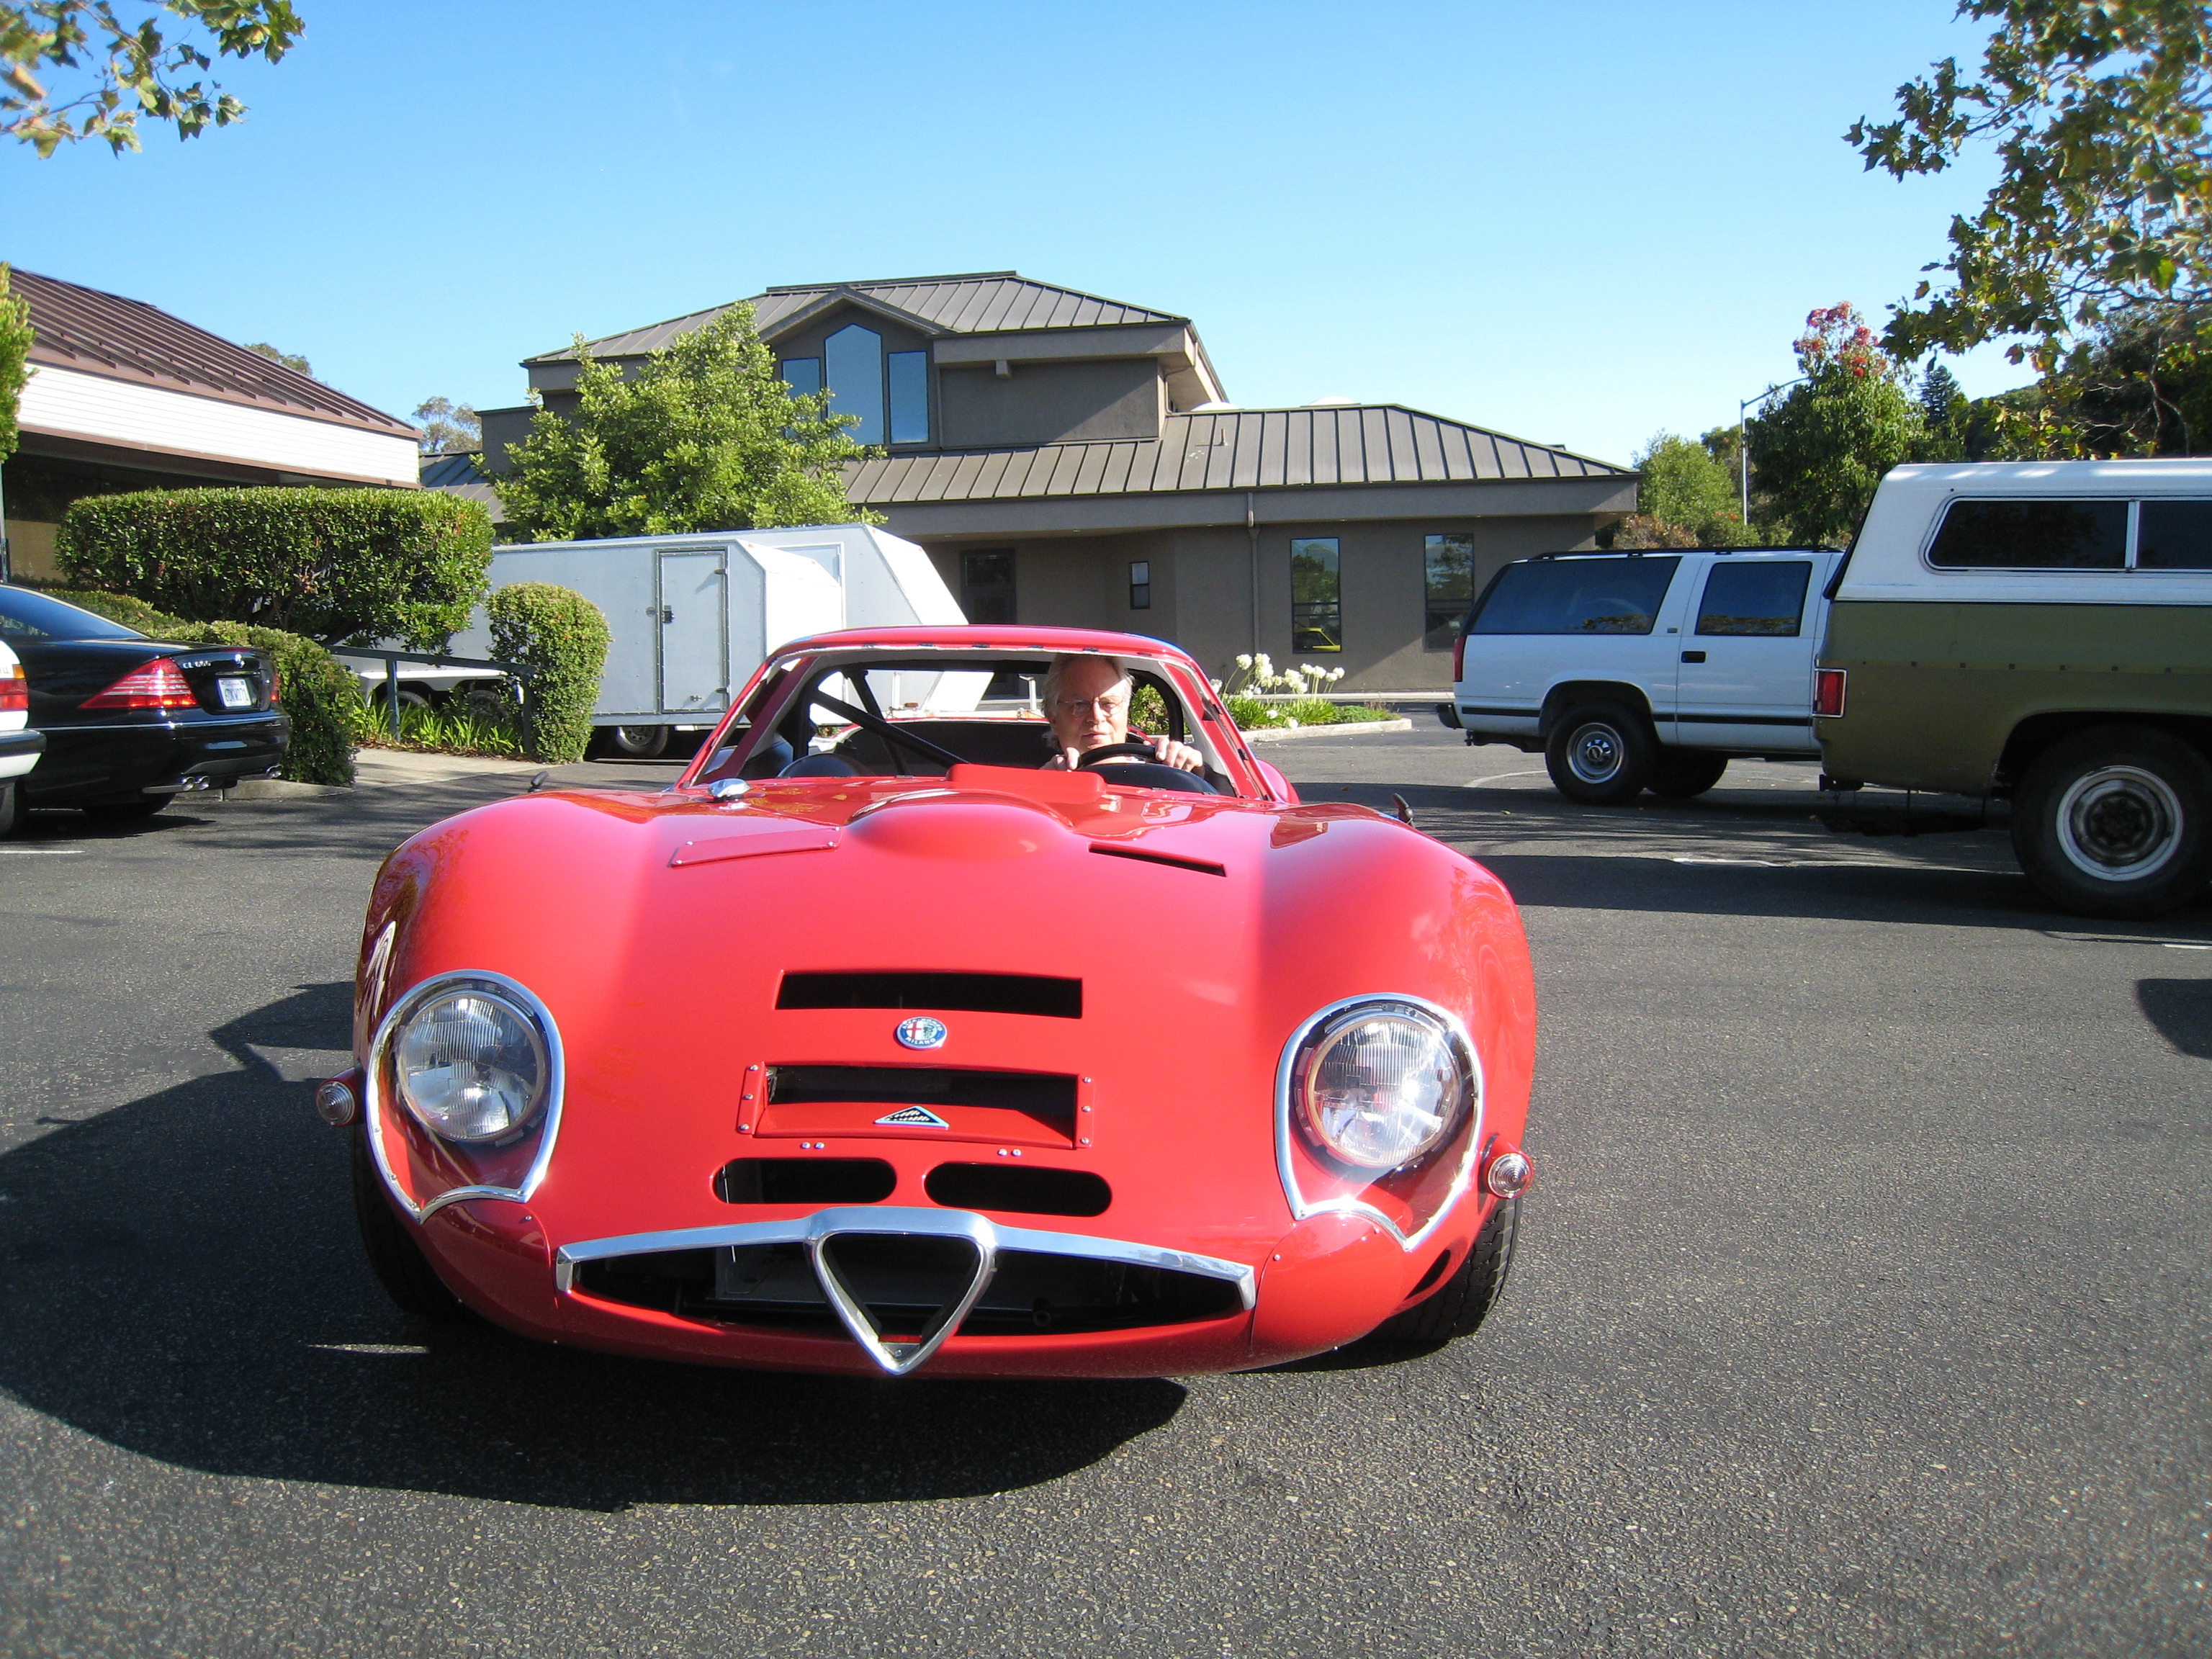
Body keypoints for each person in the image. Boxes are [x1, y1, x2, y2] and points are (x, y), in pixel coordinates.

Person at [1040, 655, 1205, 773]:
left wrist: (1193, 770)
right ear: (1053, 717)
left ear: (1126, 713)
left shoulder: (1160, 773)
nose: (1096, 717)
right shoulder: (1036, 781)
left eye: (1108, 704)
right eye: (1080, 705)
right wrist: (1043, 784)